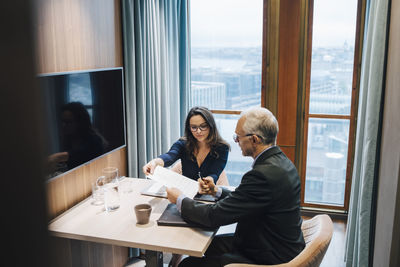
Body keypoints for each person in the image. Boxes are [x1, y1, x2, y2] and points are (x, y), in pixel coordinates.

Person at [166, 107, 305, 267]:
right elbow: (246, 197)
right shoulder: (281, 162)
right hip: (270, 241)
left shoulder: (262, 175)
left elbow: (213, 216)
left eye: (238, 137)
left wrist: (179, 199)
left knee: (188, 264)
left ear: (254, 139)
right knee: (203, 244)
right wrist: (216, 191)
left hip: (268, 256)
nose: (236, 141)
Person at [142, 106, 230, 183]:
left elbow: (214, 173)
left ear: (211, 126)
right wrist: (154, 162)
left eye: (203, 126)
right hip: (186, 193)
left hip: (208, 193)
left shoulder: (222, 148)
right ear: (189, 128)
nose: (198, 131)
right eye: (194, 127)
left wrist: (209, 180)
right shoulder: (183, 144)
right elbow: (170, 156)